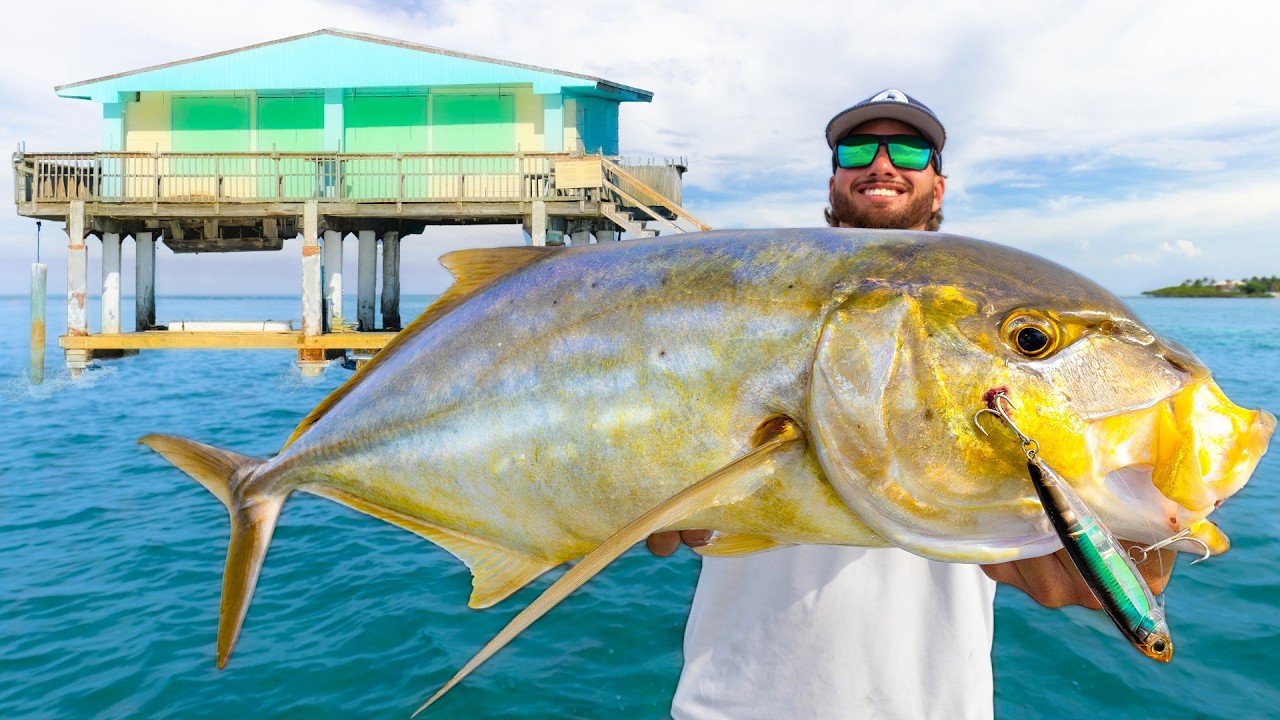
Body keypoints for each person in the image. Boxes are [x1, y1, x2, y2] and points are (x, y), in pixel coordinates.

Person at [654, 89, 1174, 720]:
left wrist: (1132, 535)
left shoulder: (997, 329)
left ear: (938, 184)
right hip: (731, 704)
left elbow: (1120, 549)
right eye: (857, 150)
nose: (881, 163)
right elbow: (683, 514)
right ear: (833, 179)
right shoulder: (740, 309)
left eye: (907, 149)